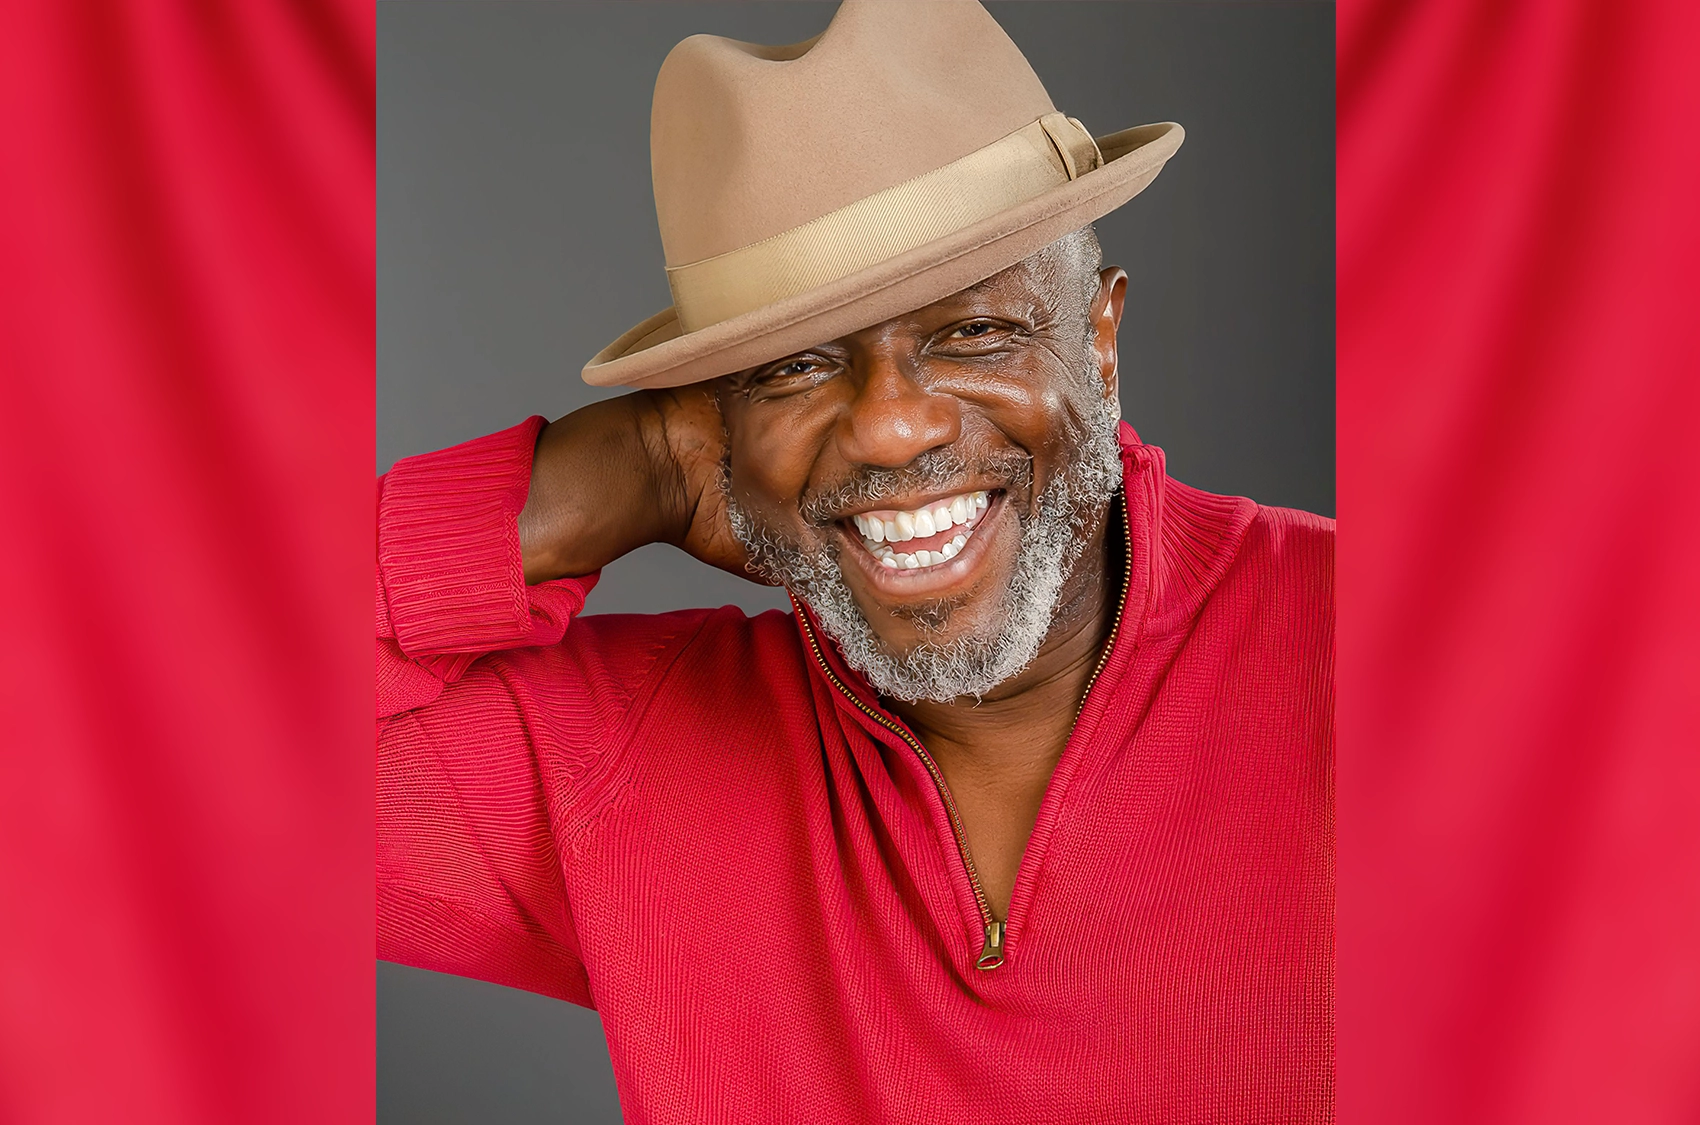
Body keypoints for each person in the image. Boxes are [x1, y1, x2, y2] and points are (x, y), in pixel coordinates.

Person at [375, 2, 1331, 1120]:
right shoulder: (624, 759)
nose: (887, 429)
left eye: (972, 332)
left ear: (1100, 340)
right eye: (794, 368)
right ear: (719, 424)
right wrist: (618, 477)